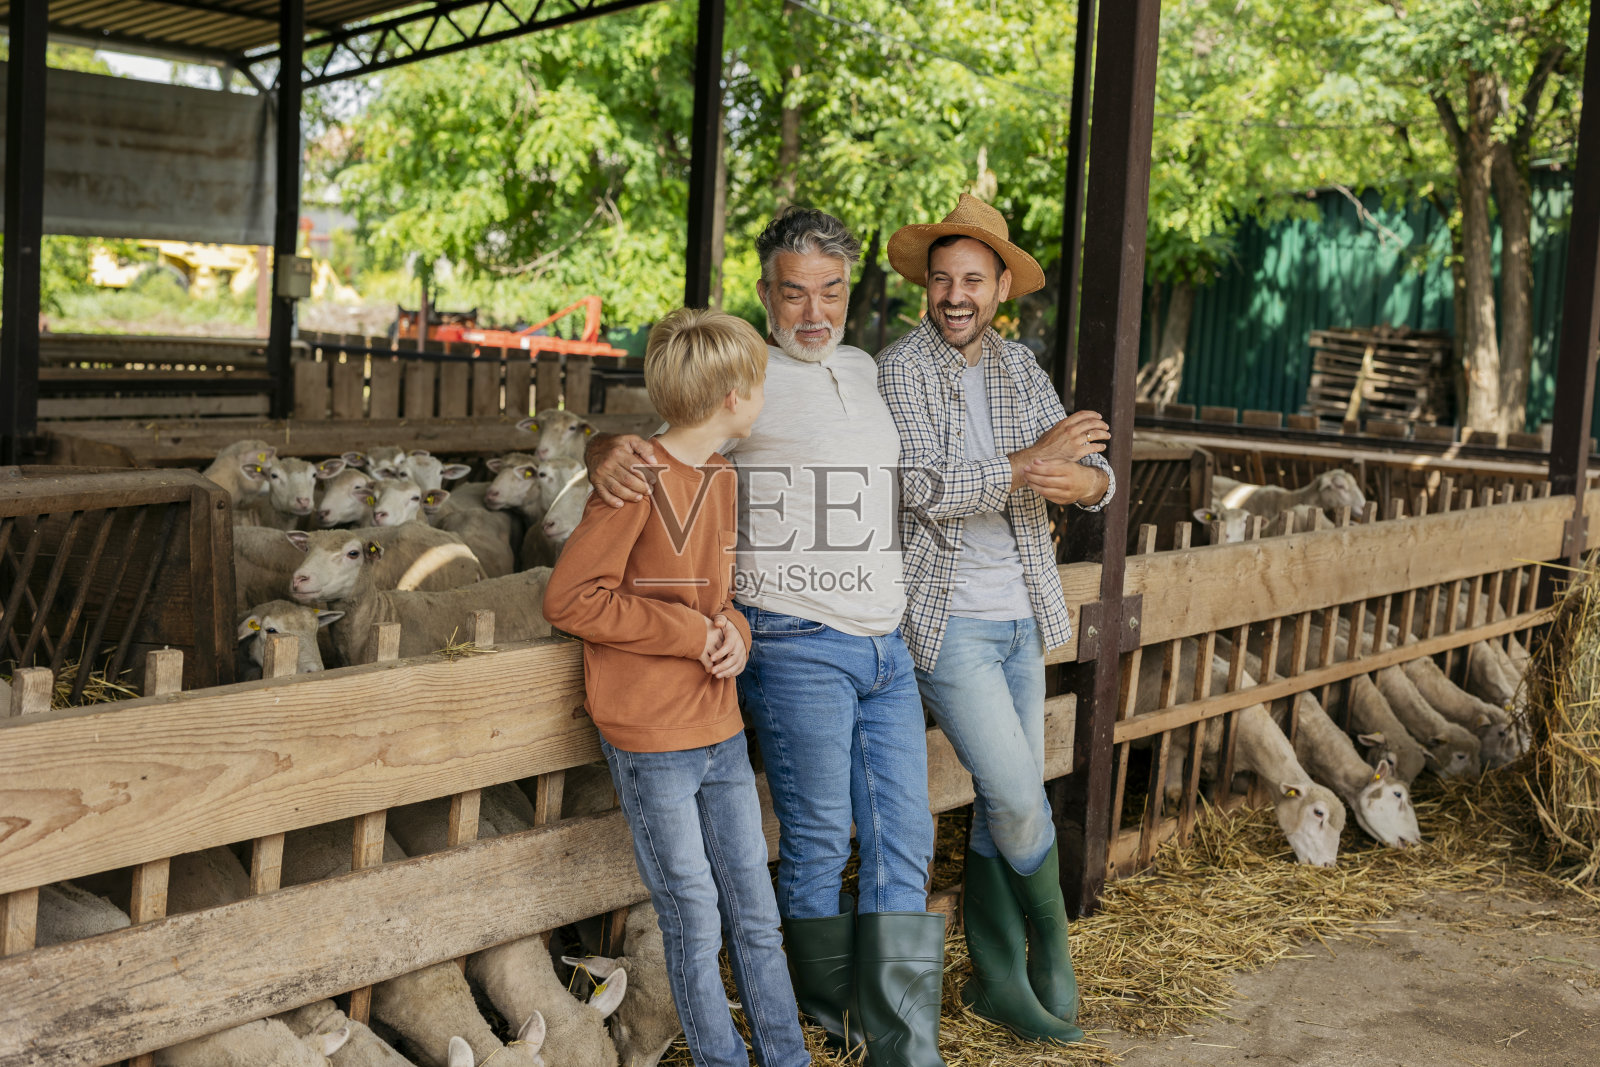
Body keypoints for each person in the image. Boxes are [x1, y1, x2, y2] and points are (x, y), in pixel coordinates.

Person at [585, 208, 945, 1067]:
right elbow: (649, 442)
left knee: (907, 829)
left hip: (884, 640)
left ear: (852, 290)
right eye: (794, 292)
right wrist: (602, 447)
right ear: (764, 294)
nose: (814, 312)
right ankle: (826, 1012)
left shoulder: (864, 368)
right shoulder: (742, 377)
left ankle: (902, 1035)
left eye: (831, 291)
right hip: (792, 634)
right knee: (819, 834)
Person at [876, 194, 1115, 1045]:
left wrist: (1088, 483)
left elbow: (1089, 464)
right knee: (1018, 796)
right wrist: (1025, 464)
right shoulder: (900, 369)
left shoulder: (1020, 368)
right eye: (942, 277)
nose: (954, 293)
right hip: (949, 623)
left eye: (972, 278)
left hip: (1022, 611)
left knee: (1006, 795)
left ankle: (992, 977)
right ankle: (1053, 946)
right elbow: (923, 489)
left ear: (1001, 288)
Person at [542, 308, 809, 1067]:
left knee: (755, 907)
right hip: (652, 736)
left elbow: (715, 595)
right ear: (732, 396)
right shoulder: (634, 480)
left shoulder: (719, 476)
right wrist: (693, 634)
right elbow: (571, 599)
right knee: (694, 914)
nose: (763, 397)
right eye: (758, 384)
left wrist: (734, 632)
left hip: (718, 727)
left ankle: (787, 1057)